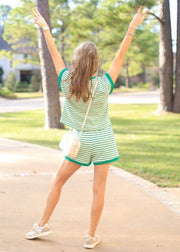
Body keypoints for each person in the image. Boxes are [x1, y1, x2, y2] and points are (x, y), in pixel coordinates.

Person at [26, 6, 149, 249]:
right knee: (98, 190)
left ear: (76, 61)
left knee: (57, 181)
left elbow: (53, 56)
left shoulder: (66, 81)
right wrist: (130, 29)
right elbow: (120, 57)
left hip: (80, 143)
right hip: (104, 141)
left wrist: (46, 29)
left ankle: (42, 224)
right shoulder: (105, 84)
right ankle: (91, 236)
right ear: (95, 63)